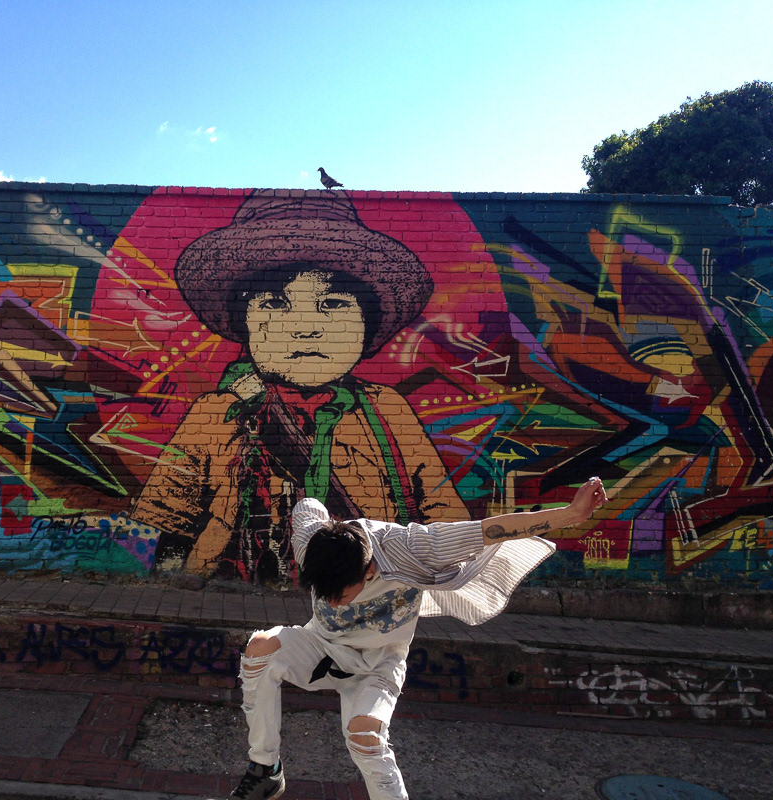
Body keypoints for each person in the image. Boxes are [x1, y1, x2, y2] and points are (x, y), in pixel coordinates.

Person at [132, 190, 467, 584]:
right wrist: (172, 589)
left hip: (371, 587)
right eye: (275, 304)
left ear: (367, 325)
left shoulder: (387, 409)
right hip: (234, 582)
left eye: (334, 304)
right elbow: (168, 518)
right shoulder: (215, 413)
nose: (306, 327)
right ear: (246, 325)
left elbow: (443, 514)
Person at [228, 476, 609, 800]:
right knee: (261, 648)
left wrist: (570, 516)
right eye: (323, 593)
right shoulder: (313, 542)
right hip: (322, 647)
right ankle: (266, 770)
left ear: (370, 568)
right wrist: (312, 503)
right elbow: (307, 508)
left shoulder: (414, 548)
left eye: (340, 594)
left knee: (365, 737)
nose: (331, 601)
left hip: (379, 662)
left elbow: (487, 530)